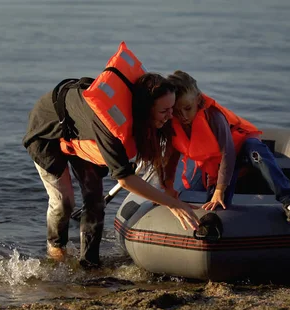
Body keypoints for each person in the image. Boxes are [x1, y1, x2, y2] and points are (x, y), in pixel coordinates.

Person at [22, 43, 199, 269]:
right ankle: (56, 250)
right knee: (64, 202)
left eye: (172, 109)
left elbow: (172, 146)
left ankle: (90, 265)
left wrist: (167, 185)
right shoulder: (109, 123)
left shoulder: (152, 113)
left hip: (83, 138)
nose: (170, 116)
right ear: (146, 109)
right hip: (47, 131)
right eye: (164, 111)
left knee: (94, 200)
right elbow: (124, 179)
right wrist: (173, 204)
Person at [164, 70, 290, 223]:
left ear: (198, 100)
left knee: (256, 151)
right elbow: (171, 157)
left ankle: (289, 199)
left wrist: (220, 190)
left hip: (242, 149)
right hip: (217, 165)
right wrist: (169, 187)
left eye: (187, 108)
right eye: (177, 111)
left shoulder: (214, 117)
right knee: (215, 206)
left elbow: (227, 153)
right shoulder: (173, 124)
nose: (183, 116)